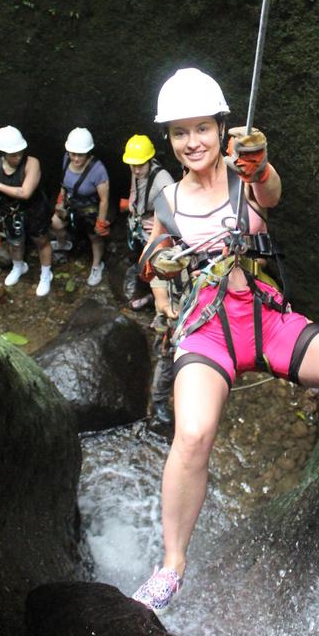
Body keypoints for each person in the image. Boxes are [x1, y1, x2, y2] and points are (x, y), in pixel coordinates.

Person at [132, 68, 319, 613]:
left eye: (202, 129)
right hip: (208, 328)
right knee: (192, 434)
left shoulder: (245, 175)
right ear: (170, 139)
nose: (192, 142)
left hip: (263, 316)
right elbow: (152, 257)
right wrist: (157, 262)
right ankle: (171, 565)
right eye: (180, 133)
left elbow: (271, 194)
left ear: (221, 127)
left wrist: (259, 165)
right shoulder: (166, 202)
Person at [120, 134, 176, 425]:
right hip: (143, 232)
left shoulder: (163, 180)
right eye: (132, 165)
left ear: (150, 160)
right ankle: (158, 403)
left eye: (140, 165)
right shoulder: (137, 173)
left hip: (159, 238)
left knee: (158, 269)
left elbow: (170, 219)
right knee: (147, 269)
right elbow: (135, 190)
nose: (136, 169)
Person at [0, 126, 53, 297]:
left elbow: (25, 192)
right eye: (13, 154)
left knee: (41, 241)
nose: (18, 157)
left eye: (20, 152)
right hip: (10, 212)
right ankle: (18, 266)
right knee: (15, 242)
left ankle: (45, 274)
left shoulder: (32, 163)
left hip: (34, 209)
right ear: (4, 152)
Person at [51, 128, 109, 287]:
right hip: (71, 205)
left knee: (94, 238)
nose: (76, 158)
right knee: (55, 222)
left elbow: (104, 200)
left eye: (80, 155)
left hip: (89, 208)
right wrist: (60, 200)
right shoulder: (65, 159)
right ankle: (63, 244)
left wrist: (100, 222)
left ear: (88, 152)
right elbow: (63, 185)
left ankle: (97, 265)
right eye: (73, 154)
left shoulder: (98, 170)